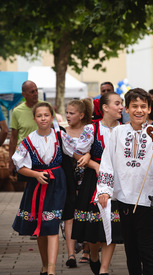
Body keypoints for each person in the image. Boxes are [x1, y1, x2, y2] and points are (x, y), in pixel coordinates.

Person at [96, 88, 153, 275]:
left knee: (147, 249)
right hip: (124, 198)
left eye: (143, 106)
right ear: (126, 109)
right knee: (130, 250)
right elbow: (107, 163)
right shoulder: (117, 133)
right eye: (134, 106)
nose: (138, 110)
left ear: (149, 109)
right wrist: (105, 189)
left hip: (147, 200)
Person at [11, 102, 74, 275]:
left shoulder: (60, 136)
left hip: (58, 184)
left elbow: (75, 151)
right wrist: (36, 175)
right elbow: (19, 165)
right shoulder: (29, 140)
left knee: (52, 223)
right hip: (36, 185)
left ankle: (52, 269)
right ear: (34, 119)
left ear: (52, 117)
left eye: (46, 115)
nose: (43, 118)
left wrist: (87, 157)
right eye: (39, 116)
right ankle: (45, 264)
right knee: (41, 226)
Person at [72, 92, 124, 275]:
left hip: (117, 181)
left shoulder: (124, 129)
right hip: (94, 180)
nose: (121, 107)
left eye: (121, 103)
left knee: (113, 224)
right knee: (94, 226)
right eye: (117, 103)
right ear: (105, 107)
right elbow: (77, 152)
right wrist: (94, 164)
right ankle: (94, 255)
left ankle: (104, 269)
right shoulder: (91, 129)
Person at [61, 99, 93, 268]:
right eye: (66, 112)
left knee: (86, 212)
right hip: (68, 179)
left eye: (71, 113)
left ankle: (87, 250)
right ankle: (71, 254)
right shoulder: (61, 132)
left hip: (86, 177)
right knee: (69, 216)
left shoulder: (89, 131)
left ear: (81, 115)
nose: (68, 116)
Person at [9, 81, 39, 177]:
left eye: (36, 90)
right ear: (23, 94)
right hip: (24, 155)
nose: (36, 94)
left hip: (43, 154)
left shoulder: (45, 108)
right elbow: (13, 138)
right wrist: (11, 161)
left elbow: (55, 131)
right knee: (28, 186)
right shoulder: (17, 111)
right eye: (32, 92)